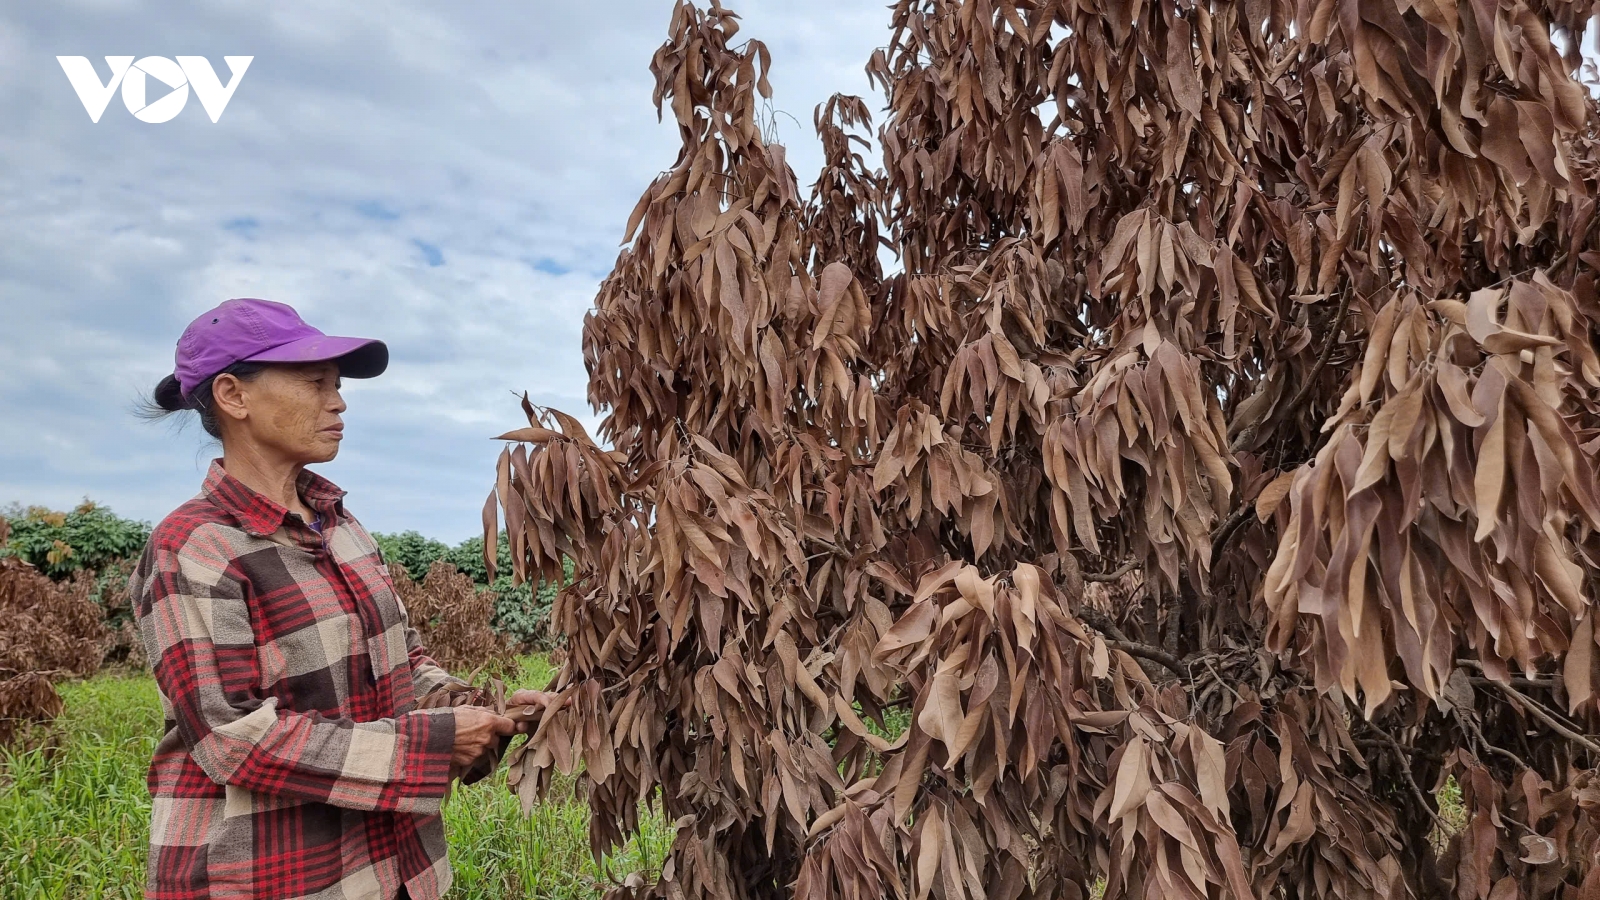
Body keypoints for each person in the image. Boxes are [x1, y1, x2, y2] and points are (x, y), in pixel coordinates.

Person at [131, 297, 548, 900]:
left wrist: (491, 711)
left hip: (395, 867)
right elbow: (234, 739)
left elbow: (404, 666)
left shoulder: (343, 529)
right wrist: (432, 744)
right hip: (270, 877)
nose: (339, 401)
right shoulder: (195, 547)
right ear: (233, 395)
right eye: (315, 382)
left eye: (338, 384)